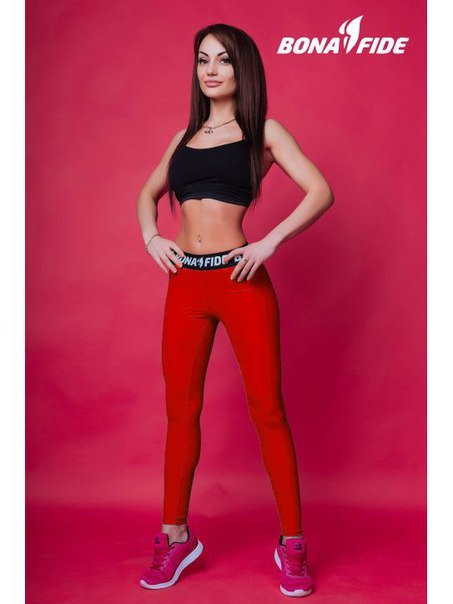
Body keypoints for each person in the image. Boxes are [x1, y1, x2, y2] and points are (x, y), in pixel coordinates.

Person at [135, 23, 334, 598]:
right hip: (185, 286)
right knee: (180, 411)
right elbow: (146, 195)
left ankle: (293, 544)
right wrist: (152, 237)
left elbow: (321, 191)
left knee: (268, 409)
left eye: (223, 59)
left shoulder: (264, 131)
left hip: (240, 280)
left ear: (242, 68)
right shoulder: (183, 137)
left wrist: (269, 242)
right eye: (203, 59)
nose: (211, 69)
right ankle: (176, 537)